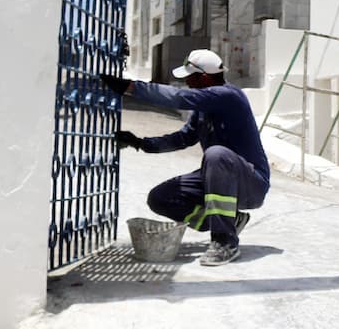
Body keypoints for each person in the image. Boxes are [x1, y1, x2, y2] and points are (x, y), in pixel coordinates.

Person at [100, 48, 270, 266]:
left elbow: (179, 97)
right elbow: (183, 138)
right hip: (218, 177)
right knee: (161, 197)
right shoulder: (203, 110)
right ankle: (229, 220)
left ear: (206, 77)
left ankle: (225, 241)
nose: (188, 83)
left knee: (216, 154)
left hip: (251, 183)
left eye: (191, 78)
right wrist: (140, 143)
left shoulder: (230, 96)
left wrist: (132, 88)